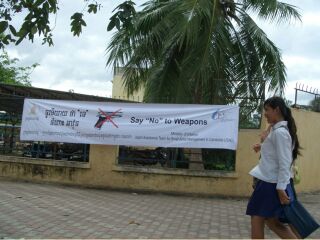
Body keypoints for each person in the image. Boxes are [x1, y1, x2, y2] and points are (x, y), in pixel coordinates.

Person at [246, 96, 301, 239]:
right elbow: (278, 154)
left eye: (267, 110)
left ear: (277, 109)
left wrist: (281, 188)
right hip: (269, 182)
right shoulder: (279, 131)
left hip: (270, 183)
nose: (265, 114)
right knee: (271, 222)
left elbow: (285, 162)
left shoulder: (280, 133)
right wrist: (263, 146)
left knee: (260, 219)